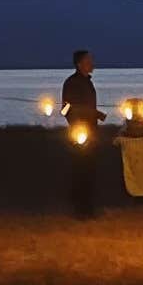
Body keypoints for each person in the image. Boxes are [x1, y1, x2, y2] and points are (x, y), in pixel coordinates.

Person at [60, 48, 106, 218]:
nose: (92, 63)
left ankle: (88, 207)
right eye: (89, 61)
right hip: (79, 134)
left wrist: (95, 115)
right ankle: (80, 209)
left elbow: (87, 107)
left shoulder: (88, 82)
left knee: (89, 170)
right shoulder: (72, 83)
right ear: (80, 64)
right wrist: (80, 123)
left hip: (92, 132)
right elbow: (65, 110)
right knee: (80, 170)